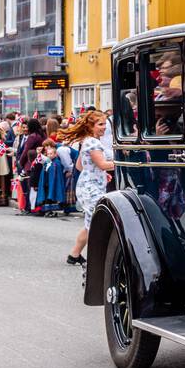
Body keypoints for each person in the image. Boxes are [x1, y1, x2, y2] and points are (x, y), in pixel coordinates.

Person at [63, 110, 116, 266]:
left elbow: (80, 165)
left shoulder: (87, 141)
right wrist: (122, 163)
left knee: (89, 224)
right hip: (91, 189)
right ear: (90, 126)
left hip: (89, 185)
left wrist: (99, 173)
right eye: (100, 124)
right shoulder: (93, 142)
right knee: (95, 224)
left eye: (105, 124)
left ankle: (74, 255)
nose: (104, 127)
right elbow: (102, 164)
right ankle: (97, 260)